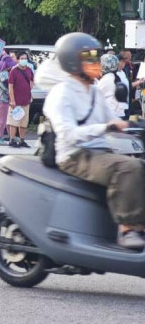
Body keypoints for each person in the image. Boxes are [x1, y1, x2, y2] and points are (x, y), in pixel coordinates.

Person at [45, 32, 145, 249]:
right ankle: (128, 228)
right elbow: (68, 134)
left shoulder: (94, 92)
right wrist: (105, 127)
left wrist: (134, 125)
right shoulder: (61, 94)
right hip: (75, 155)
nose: (95, 62)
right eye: (89, 57)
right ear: (73, 61)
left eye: (95, 57)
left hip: (99, 151)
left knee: (141, 166)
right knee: (129, 167)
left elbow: (114, 120)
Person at [8, 52, 34, 147]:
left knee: (24, 121)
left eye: (25, 58)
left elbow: (31, 81)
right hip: (16, 101)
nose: (24, 60)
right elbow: (10, 87)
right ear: (18, 60)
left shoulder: (29, 70)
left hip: (26, 100)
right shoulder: (13, 71)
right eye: (22, 58)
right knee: (14, 121)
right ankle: (12, 140)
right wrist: (12, 100)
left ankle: (22, 140)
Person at [0, 55, 15, 146]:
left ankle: (9, 136)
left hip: (0, 99)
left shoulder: (0, 73)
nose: (11, 66)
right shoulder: (3, 74)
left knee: (4, 119)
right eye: (10, 64)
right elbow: (8, 86)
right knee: (2, 120)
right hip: (2, 99)